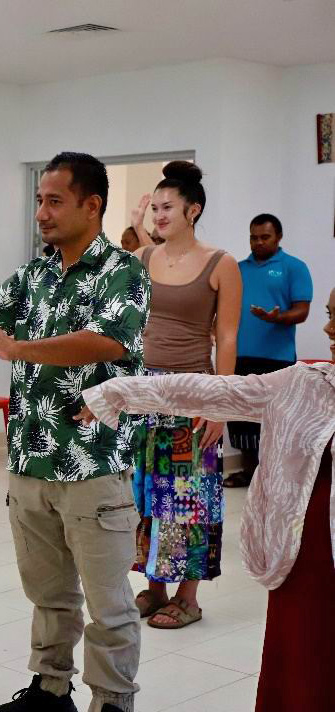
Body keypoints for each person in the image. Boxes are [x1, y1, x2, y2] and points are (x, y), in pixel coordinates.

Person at [0, 153, 149, 712]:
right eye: (39, 200)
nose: (42, 213)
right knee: (48, 594)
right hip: (30, 460)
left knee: (109, 603)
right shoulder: (37, 274)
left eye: (54, 201)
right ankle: (50, 691)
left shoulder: (123, 271)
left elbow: (109, 340)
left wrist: (21, 348)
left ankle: (112, 701)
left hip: (92, 464)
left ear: (91, 205)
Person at [80, 285, 335, 712]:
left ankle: (185, 595)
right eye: (328, 315)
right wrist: (117, 392)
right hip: (304, 559)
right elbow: (207, 391)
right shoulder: (306, 383)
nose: (328, 329)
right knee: (304, 664)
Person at [128, 161, 241, 630]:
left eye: (167, 207)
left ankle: (188, 597)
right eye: (154, 208)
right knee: (147, 492)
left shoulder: (221, 263)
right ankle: (154, 587)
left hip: (193, 392)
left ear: (192, 211)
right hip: (145, 391)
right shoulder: (144, 258)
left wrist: (220, 404)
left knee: (188, 496)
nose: (158, 215)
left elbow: (227, 338)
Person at [224, 213, 312, 488]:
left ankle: (273, 477)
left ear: (279, 237)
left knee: (272, 420)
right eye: (254, 238)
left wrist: (278, 318)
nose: (258, 242)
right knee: (241, 418)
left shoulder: (294, 267)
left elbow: (302, 311)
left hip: (277, 358)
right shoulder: (237, 269)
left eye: (265, 237)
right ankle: (248, 472)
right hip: (240, 355)